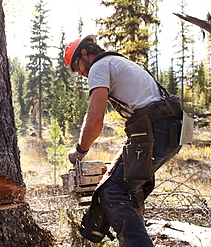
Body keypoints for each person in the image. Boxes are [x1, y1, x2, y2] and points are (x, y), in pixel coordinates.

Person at [64, 35, 183, 246]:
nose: (81, 74)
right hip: (169, 130)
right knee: (128, 189)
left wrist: (80, 150)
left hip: (156, 131)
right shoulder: (117, 62)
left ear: (84, 53)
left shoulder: (100, 66)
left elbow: (95, 118)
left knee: (111, 192)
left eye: (78, 67)